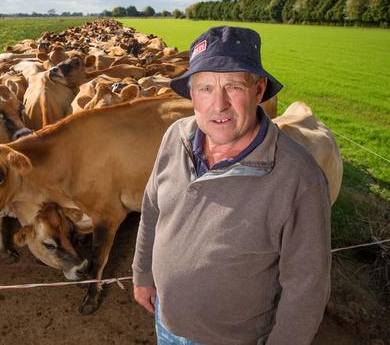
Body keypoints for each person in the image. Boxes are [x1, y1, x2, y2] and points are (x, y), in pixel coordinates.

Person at [132, 26, 332, 345]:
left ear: (258, 90)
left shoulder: (298, 176)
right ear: (192, 94)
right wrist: (142, 275)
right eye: (206, 88)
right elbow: (152, 210)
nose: (219, 104)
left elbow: (307, 287)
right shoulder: (175, 138)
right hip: (166, 322)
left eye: (234, 86)